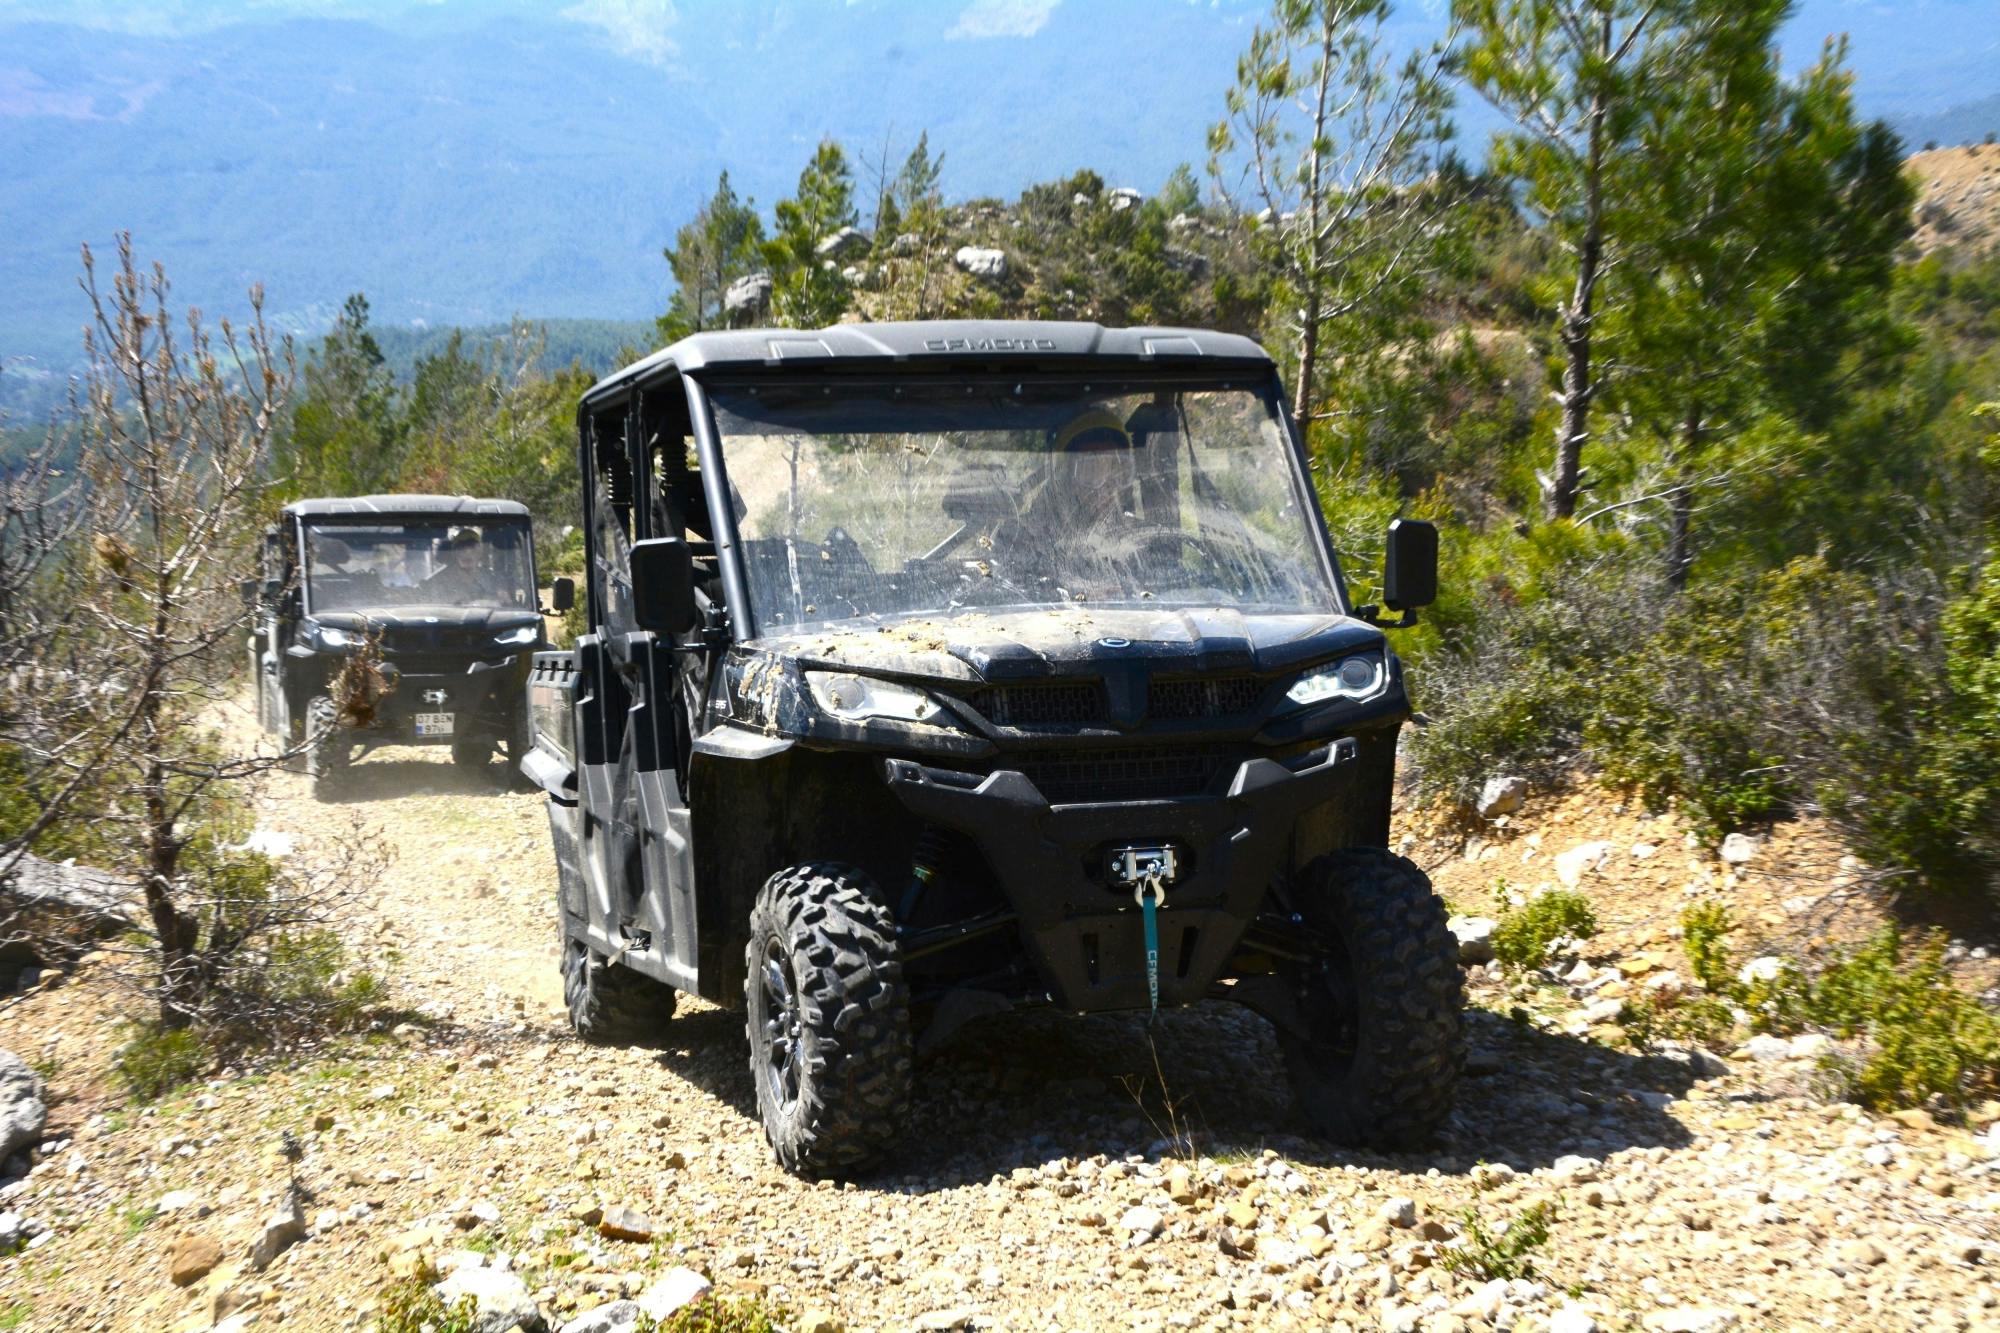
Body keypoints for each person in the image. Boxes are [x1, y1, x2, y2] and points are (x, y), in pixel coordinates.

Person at [424, 528, 499, 603]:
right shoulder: (437, 581)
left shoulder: (492, 579)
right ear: (454, 553)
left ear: (480, 552)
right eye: (461, 548)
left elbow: (506, 605)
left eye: (473, 548)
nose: (467, 553)